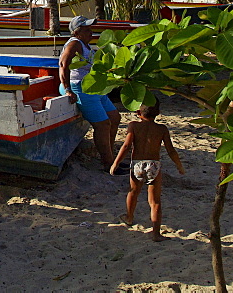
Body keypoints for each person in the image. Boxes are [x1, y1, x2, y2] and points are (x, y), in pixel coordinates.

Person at [111, 99, 185, 242]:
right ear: (158, 113)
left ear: (138, 113)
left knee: (133, 192)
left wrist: (115, 163)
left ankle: (129, 217)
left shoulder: (133, 126)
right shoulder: (162, 129)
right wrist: (179, 165)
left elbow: (126, 146)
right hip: (154, 164)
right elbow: (171, 150)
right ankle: (156, 234)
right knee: (155, 201)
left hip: (137, 164)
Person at [59, 14, 120, 171]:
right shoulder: (74, 44)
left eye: (90, 29)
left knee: (114, 117)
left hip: (94, 87)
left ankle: (109, 155)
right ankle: (108, 164)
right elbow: (63, 65)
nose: (90, 33)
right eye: (86, 30)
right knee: (103, 125)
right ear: (77, 32)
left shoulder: (85, 45)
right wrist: (67, 90)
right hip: (80, 87)